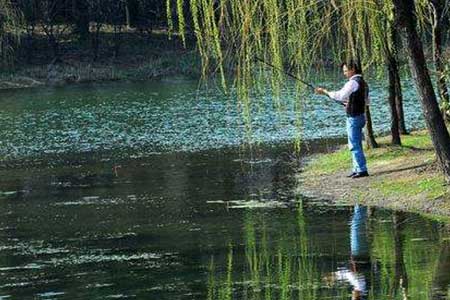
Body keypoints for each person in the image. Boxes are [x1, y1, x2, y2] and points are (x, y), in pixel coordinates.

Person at [315, 61, 369, 178]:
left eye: (345, 70)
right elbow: (366, 101)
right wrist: (349, 104)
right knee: (355, 143)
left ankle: (361, 169)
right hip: (360, 116)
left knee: (354, 144)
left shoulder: (353, 83)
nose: (344, 73)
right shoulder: (363, 82)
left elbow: (340, 95)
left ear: (353, 69)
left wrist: (325, 92)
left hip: (353, 118)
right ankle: (356, 168)